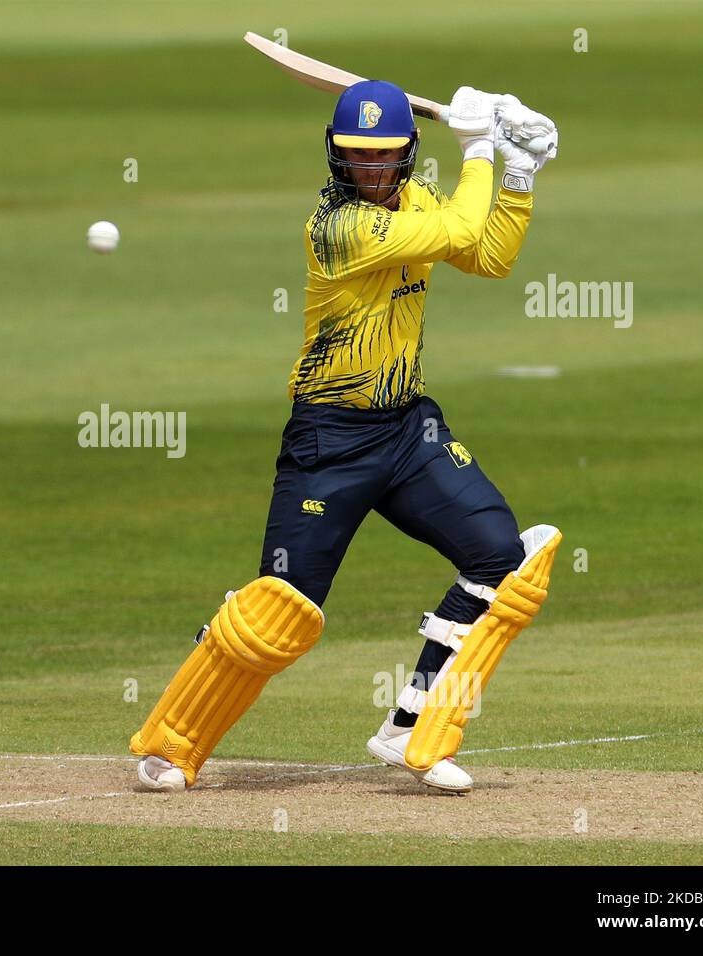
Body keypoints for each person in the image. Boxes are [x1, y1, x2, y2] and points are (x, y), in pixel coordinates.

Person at [131, 81, 562, 794]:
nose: (369, 170)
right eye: (356, 157)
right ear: (336, 157)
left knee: (499, 558)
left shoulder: (416, 202)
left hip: (405, 429)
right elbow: (457, 231)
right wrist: (482, 148)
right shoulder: (337, 227)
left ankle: (413, 728)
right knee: (280, 612)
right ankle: (171, 745)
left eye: (383, 157)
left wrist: (519, 174)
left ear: (405, 156)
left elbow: (489, 257)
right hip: (329, 441)